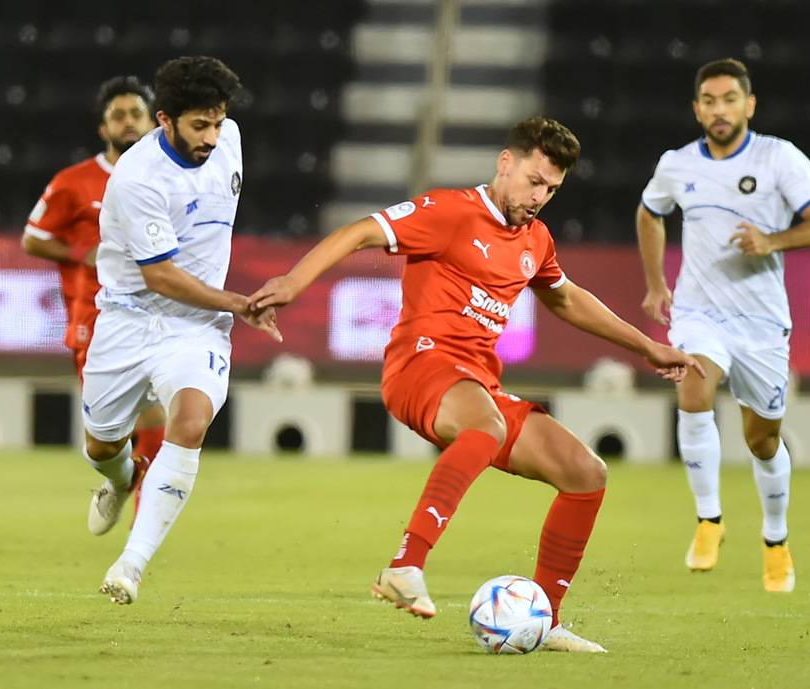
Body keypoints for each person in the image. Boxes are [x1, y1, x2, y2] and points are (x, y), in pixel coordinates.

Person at [248, 116, 704, 652]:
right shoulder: (450, 210)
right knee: (484, 426)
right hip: (420, 366)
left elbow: (567, 298)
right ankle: (405, 565)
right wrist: (293, 282)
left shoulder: (536, 239)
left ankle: (548, 618)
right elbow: (361, 231)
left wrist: (648, 346)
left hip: (476, 382)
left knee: (586, 473)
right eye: (534, 180)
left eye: (552, 189)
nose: (540, 196)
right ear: (505, 163)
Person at [635, 58, 810, 593]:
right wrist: (657, 283)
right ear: (697, 109)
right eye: (709, 100)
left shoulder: (779, 158)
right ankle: (709, 519)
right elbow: (649, 211)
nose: (719, 109)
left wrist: (772, 240)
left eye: (729, 99)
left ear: (749, 106)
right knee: (693, 392)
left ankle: (775, 539)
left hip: (761, 322)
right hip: (699, 313)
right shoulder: (677, 164)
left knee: (763, 441)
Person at [81, 56, 281, 604]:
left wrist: (225, 309)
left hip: (197, 326)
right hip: (127, 319)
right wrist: (241, 302)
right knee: (100, 446)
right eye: (200, 125)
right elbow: (162, 276)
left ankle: (131, 565)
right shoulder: (137, 179)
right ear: (163, 120)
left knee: (190, 422)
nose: (213, 137)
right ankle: (121, 478)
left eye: (218, 122)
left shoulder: (230, 140)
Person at [22, 76, 167, 486]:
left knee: (159, 421)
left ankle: (144, 524)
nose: (128, 122)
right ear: (103, 129)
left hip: (154, 316)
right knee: (106, 439)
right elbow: (33, 238)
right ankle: (120, 480)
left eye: (136, 113)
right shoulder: (73, 182)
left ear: (153, 122)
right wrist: (80, 254)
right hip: (95, 317)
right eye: (118, 115)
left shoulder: (168, 179)